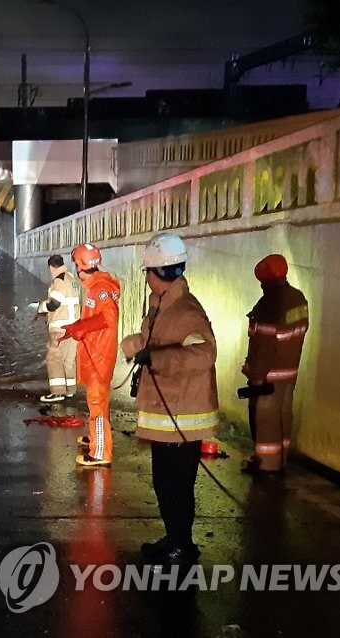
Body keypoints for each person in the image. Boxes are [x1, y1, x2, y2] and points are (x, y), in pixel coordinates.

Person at [120, 232, 218, 566]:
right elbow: (154, 339)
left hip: (182, 418)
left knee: (176, 486)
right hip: (167, 413)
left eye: (148, 272)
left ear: (160, 275)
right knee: (164, 484)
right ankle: (174, 538)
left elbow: (204, 354)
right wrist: (136, 344)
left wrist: (157, 358)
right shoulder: (163, 306)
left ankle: (183, 547)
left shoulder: (187, 311)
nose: (146, 278)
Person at [241, 254, 308, 473]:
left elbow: (265, 346)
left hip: (269, 376)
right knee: (283, 416)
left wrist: (255, 375)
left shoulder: (269, 305)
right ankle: (281, 460)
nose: (261, 286)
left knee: (266, 419)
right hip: (289, 373)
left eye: (262, 281)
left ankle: (267, 465)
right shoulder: (298, 298)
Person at [59, 243, 120, 467]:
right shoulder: (96, 286)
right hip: (96, 354)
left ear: (79, 266)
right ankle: (97, 439)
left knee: (97, 405)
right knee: (96, 403)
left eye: (76, 264)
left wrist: (82, 328)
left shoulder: (100, 289)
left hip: (99, 357)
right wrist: (78, 326)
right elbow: (97, 318)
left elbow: (108, 318)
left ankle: (101, 452)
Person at [37, 254, 80, 402]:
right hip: (73, 328)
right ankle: (70, 390)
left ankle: (57, 392)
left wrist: (41, 307)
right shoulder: (72, 278)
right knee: (69, 360)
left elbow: (54, 304)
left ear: (50, 267)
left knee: (54, 358)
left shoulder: (59, 280)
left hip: (60, 328)